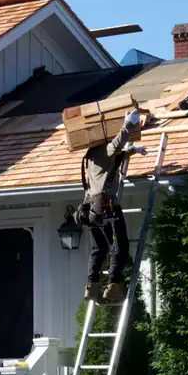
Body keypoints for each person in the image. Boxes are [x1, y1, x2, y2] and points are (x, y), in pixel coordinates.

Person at [81, 108, 147, 303]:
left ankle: (92, 286)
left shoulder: (91, 154)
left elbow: (115, 156)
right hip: (108, 209)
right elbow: (114, 147)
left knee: (99, 248)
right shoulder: (103, 150)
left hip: (92, 210)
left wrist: (133, 150)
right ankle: (113, 286)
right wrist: (127, 124)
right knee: (119, 246)